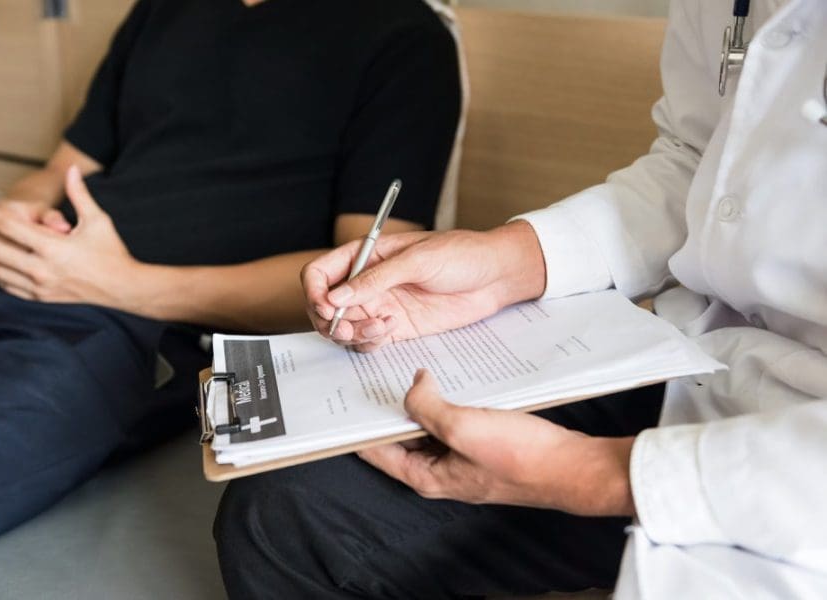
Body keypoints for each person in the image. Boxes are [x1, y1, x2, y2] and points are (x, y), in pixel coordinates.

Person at [215, 0, 827, 597]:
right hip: (699, 361)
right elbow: (698, 161)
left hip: (799, 473)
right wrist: (506, 262)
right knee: (284, 513)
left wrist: (589, 475)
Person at [0, 0, 461, 566]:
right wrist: (18, 218)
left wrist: (121, 284)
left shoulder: (405, 35)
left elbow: (366, 275)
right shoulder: (163, 9)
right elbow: (61, 169)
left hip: (127, 337)